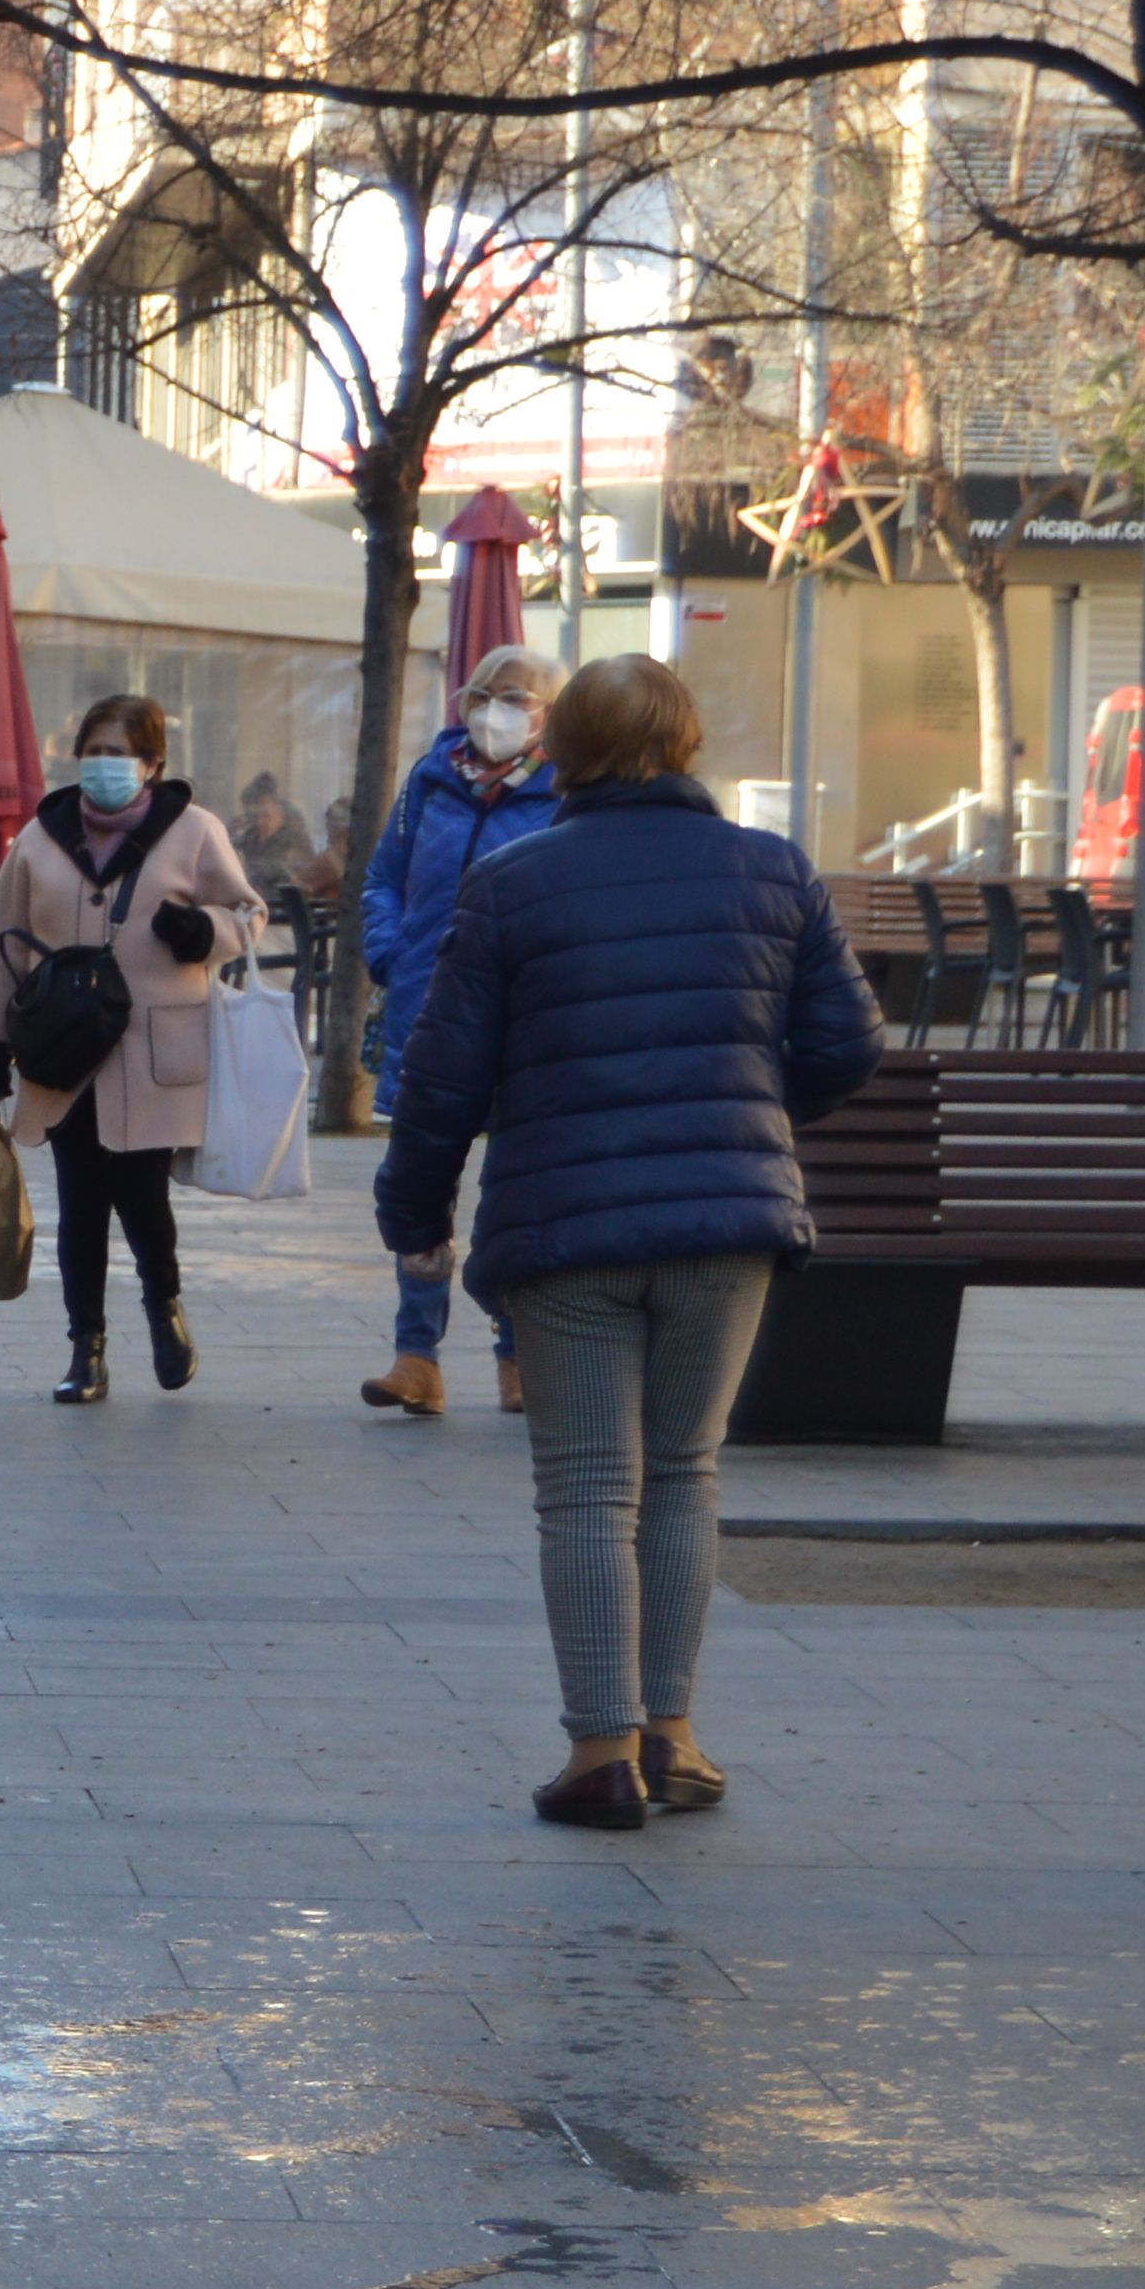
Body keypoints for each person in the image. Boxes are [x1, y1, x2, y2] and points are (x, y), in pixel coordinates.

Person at [374, 654, 874, 1830]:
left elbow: (442, 1074)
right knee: (686, 1471)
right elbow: (848, 1042)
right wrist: (742, 1119)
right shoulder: (772, 870)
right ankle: (675, 1736)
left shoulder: (513, 882)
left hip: (564, 1228)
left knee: (589, 1489)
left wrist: (413, 1213)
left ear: (563, 750)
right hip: (724, 1223)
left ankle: (600, 1753)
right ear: (687, 744)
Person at [0, 690, 267, 1404]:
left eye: (119, 752)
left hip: (155, 1050)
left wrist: (207, 933)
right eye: (94, 751)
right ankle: (87, 1351)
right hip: (62, 1050)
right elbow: (1, 942)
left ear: (152, 762)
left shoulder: (194, 831)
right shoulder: (40, 838)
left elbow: (247, 912)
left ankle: (163, 1308)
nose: (104, 765)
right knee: (80, 1204)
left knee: (140, 1197)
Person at [355, 650, 563, 1420]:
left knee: (512, 1197)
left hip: (518, 1019)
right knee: (417, 1189)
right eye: (485, 695)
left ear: (551, 714)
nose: (497, 711)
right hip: (426, 1008)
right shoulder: (430, 780)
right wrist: (390, 946)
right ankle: (417, 1358)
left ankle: (517, 1360)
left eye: (518, 698)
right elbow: (383, 876)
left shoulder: (563, 792)